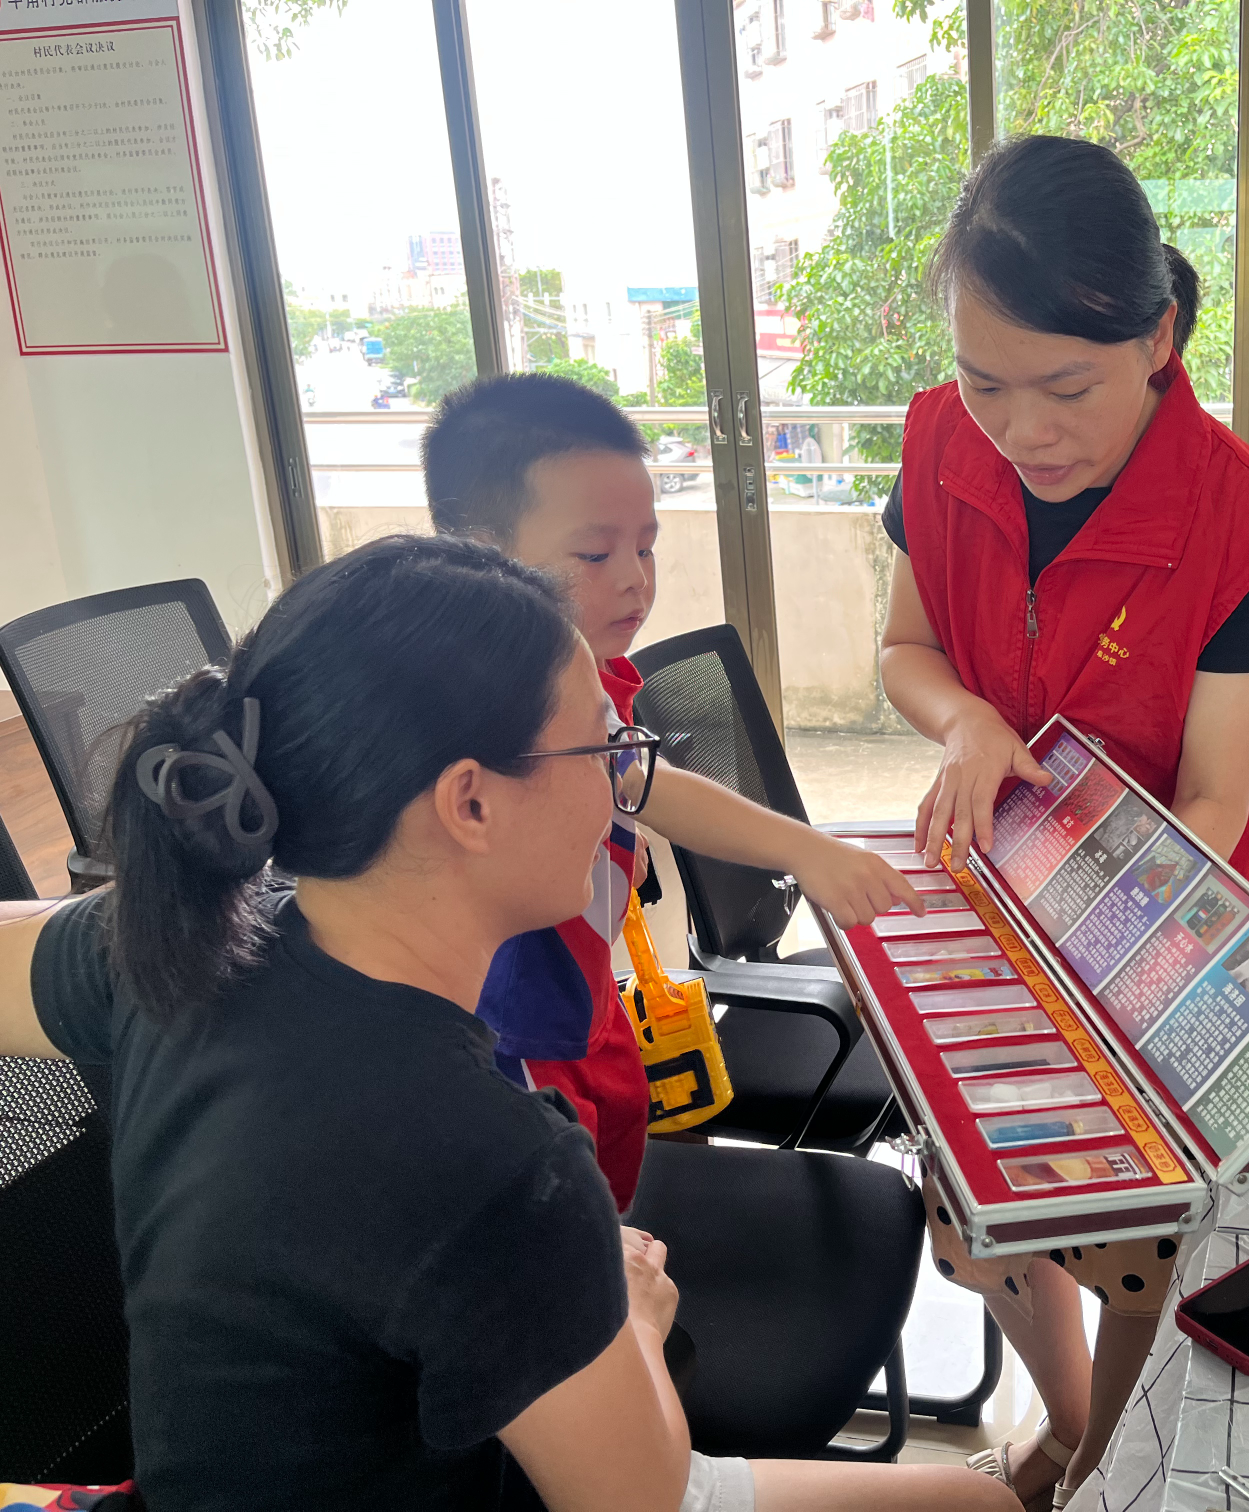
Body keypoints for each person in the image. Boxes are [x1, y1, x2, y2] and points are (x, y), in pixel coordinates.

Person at [0, 535, 1016, 1512]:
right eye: (602, 747)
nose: (620, 786)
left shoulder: (179, 939)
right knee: (976, 1504)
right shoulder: (493, 1163)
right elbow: (645, 1500)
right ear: (471, 804)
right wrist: (633, 1320)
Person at [878, 135, 1249, 1508]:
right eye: (985, 382)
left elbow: (1211, 798)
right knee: (986, 1194)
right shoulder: (936, 446)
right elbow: (904, 649)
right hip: (991, 884)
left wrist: (1114, 934)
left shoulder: (1246, 529)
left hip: (1164, 915)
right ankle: (1065, 1432)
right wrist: (966, 721)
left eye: (1067, 387)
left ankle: (1103, 1456)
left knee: (1139, 1230)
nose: (1023, 432)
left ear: (1159, 337)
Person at [423, 375, 922, 1207]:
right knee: (571, 1233)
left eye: (646, 548)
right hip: (524, 1035)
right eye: (595, 555)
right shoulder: (468, 715)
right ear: (482, 553)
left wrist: (806, 848)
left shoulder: (588, 676)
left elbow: (644, 784)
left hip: (591, 1008)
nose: (635, 579)